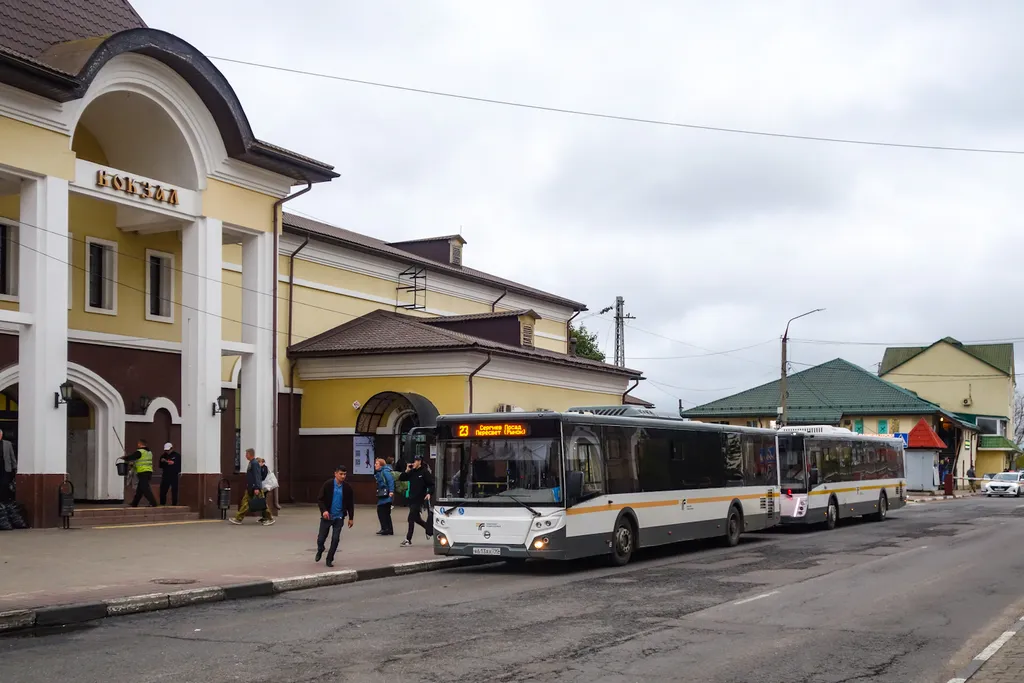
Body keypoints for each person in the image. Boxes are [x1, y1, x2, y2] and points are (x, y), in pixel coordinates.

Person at [316, 465, 354, 567]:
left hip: (339, 517)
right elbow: (320, 499)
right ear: (335, 474)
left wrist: (351, 518)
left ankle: (329, 559)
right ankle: (320, 549)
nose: (343, 476)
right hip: (327, 516)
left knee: (336, 538)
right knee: (321, 539)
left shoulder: (347, 487)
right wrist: (324, 511)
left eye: (345, 474)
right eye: (341, 474)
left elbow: (350, 504)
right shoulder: (328, 485)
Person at [230, 448, 273, 525]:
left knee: (262, 504)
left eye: (246, 454)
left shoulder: (255, 463)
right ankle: (238, 518)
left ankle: (269, 518)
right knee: (245, 503)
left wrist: (256, 487)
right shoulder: (251, 463)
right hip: (250, 487)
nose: (245, 456)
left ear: (250, 454)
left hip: (255, 488)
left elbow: (257, 476)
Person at [398, 455, 434, 547]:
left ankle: (408, 539)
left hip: (419, 499)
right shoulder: (412, 472)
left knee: (411, 518)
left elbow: (431, 484)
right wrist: (407, 470)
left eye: (416, 461)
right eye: (413, 461)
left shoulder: (424, 472)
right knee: (417, 519)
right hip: (411, 499)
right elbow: (402, 478)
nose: (413, 463)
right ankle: (431, 530)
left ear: (420, 462)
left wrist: (429, 493)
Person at [123, 439, 157, 507]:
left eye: (138, 444)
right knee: (140, 489)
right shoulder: (149, 452)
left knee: (145, 488)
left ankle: (153, 503)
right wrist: (133, 464)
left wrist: (125, 458)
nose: (137, 445)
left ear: (140, 444)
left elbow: (132, 457)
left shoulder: (140, 452)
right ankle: (134, 503)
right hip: (148, 471)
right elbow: (140, 461)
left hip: (142, 472)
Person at [374, 458, 395, 535]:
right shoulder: (380, 472)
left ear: (381, 465)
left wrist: (391, 491)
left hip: (386, 494)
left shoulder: (385, 471)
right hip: (384, 494)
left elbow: (390, 481)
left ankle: (385, 528)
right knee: (386, 512)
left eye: (377, 464)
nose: (375, 465)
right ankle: (388, 529)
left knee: (381, 511)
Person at [158, 442, 181, 506]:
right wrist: (164, 462)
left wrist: (171, 463)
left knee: (174, 490)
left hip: (174, 475)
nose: (167, 452)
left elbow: (178, 465)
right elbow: (160, 465)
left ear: (171, 448)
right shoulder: (163, 456)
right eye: (166, 450)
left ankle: (174, 503)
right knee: (163, 490)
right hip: (166, 475)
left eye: (168, 450)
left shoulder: (177, 456)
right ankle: (162, 503)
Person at [0, 428, 15, 504]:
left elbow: (12, 456)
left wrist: (14, 467)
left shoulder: (8, 444)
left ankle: (4, 500)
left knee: (5, 484)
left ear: (1, 435)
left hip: (5, 466)